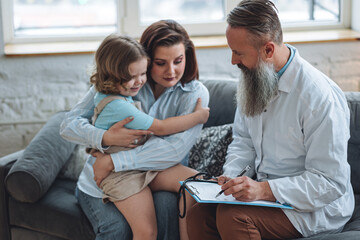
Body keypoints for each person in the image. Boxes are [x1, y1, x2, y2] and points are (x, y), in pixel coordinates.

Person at [186, 0, 354, 239]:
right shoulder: (254, 80)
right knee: (199, 214)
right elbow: (243, 140)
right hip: (268, 198)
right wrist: (232, 176)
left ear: (268, 50)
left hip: (315, 207)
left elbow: (330, 183)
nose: (233, 61)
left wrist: (263, 190)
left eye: (238, 53)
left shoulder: (318, 97)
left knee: (232, 217)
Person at [60, 20, 209, 240]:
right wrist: (104, 136)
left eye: (178, 61)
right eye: (160, 63)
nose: (171, 71)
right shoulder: (120, 80)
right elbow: (68, 124)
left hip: (150, 171)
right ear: (146, 59)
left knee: (183, 197)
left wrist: (113, 161)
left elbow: (173, 150)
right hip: (103, 179)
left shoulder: (195, 94)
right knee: (118, 228)